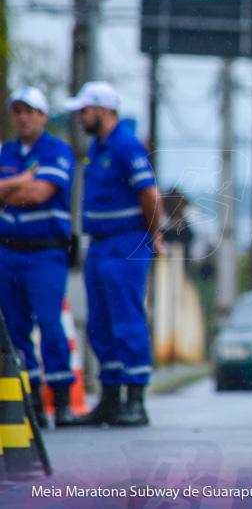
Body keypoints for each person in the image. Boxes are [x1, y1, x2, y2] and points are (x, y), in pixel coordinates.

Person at [65, 81, 164, 427]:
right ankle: (109, 400)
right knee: (100, 325)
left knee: (127, 320)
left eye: (84, 110)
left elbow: (150, 195)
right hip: (101, 243)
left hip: (126, 243)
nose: (79, 117)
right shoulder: (99, 148)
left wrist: (155, 235)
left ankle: (135, 401)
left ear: (102, 110)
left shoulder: (125, 146)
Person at [0, 87, 77, 427]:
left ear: (43, 116)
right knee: (15, 330)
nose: (23, 117)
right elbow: (25, 189)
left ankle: (61, 401)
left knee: (49, 325)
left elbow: (40, 193)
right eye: (17, 111)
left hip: (45, 253)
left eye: (30, 111)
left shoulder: (57, 151)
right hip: (7, 251)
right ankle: (29, 400)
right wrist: (20, 181)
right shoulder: (7, 151)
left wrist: (8, 189)